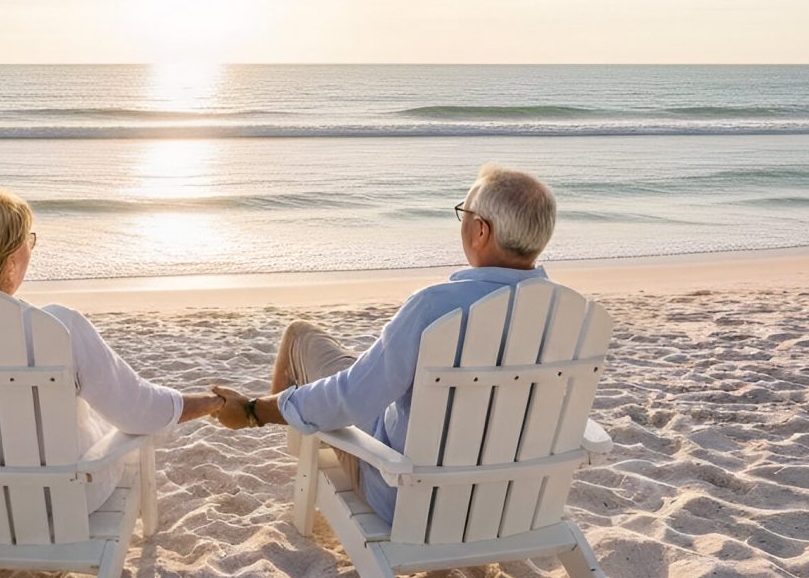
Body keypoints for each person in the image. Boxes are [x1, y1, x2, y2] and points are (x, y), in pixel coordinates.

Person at [213, 165, 556, 520]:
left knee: (300, 336)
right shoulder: (565, 315)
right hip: (507, 504)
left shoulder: (435, 307)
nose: (463, 224)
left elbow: (352, 397)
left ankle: (293, 463)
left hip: (408, 499)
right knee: (358, 374)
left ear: (481, 230)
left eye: (464, 214)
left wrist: (257, 409)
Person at [0, 185, 237, 508]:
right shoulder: (58, 325)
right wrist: (214, 402)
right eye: (29, 241)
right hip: (57, 503)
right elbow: (141, 410)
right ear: (10, 262)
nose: (31, 249)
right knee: (114, 423)